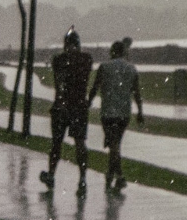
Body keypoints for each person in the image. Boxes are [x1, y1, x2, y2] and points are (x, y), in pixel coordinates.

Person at [40, 28, 93, 195]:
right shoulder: (86, 59)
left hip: (62, 106)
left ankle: (51, 175)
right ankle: (82, 179)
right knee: (79, 143)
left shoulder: (59, 60)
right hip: (79, 106)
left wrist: (61, 100)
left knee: (56, 143)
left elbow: (59, 82)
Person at [88, 40, 144, 192]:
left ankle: (117, 176)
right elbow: (137, 92)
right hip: (124, 113)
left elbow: (95, 87)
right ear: (124, 52)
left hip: (107, 113)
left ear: (112, 51)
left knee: (113, 144)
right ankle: (112, 174)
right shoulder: (132, 69)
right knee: (115, 143)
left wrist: (88, 102)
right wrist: (140, 111)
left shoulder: (104, 67)